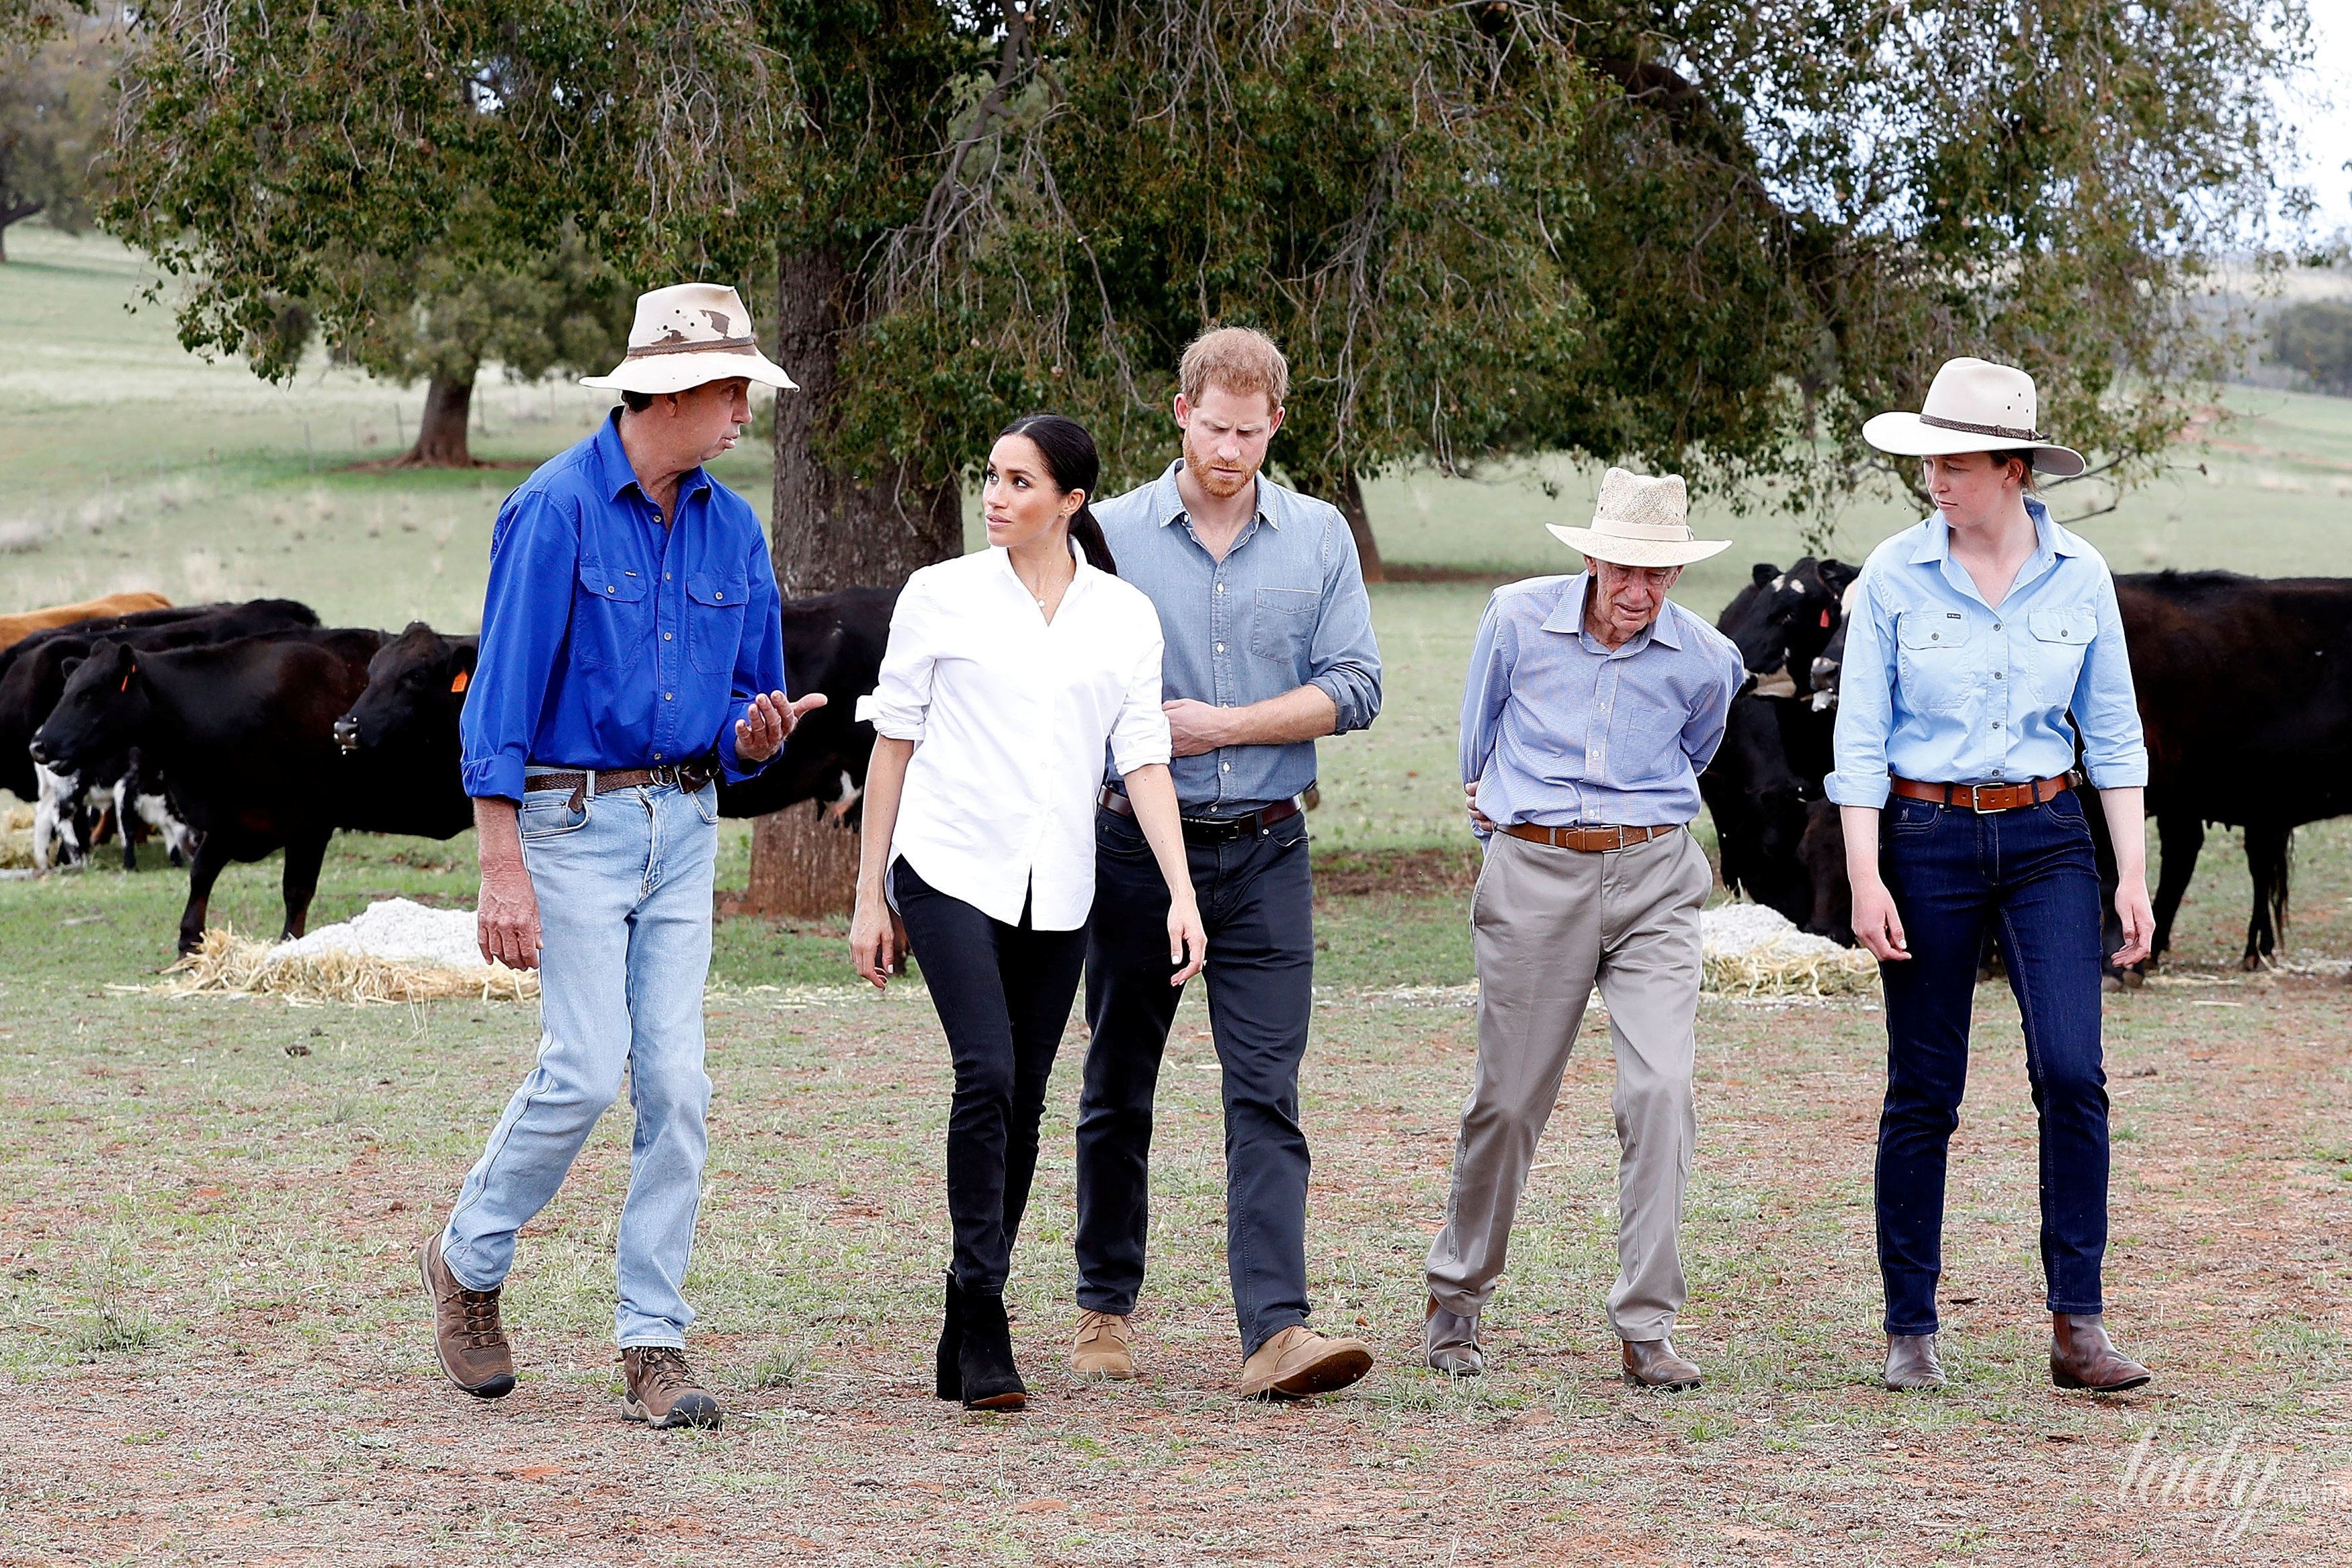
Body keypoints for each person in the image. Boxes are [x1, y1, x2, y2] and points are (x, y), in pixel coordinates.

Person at [421, 284, 823, 1431]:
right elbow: (496, 700)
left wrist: (754, 734)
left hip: (686, 825)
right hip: (569, 828)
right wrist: (502, 865)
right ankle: (467, 1257)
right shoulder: (552, 511)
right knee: (586, 1066)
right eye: (733, 387)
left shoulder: (733, 528)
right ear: (672, 392)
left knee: (680, 1086)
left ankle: (655, 1340)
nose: (746, 409)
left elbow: (751, 696)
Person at [849, 415, 1207, 1411]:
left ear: (1071, 500)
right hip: (948, 866)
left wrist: (1182, 892)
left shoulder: (1124, 616)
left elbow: (1142, 758)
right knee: (989, 1072)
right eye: (992, 477)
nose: (995, 496)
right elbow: (893, 742)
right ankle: (990, 1307)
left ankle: (963, 1319)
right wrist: (870, 890)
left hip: (1061, 885)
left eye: (1019, 481)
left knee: (1029, 1101)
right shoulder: (941, 595)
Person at [1829, 356, 2156, 1393]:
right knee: (1925, 1087)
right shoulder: (1890, 574)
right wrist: (1865, 878)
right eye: (1930, 461)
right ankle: (1911, 1323)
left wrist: (2132, 876)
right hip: (1925, 838)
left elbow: (2114, 736)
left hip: (2050, 835)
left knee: (2073, 1069)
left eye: (1957, 463)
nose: (1936, 479)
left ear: (2013, 469)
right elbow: (1859, 742)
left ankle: (2078, 1322)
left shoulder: (2083, 576)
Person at [1072, 326, 1383, 1400]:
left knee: (1267, 1091)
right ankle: (1104, 1307)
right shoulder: (1105, 533)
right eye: (1215, 428)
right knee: (1118, 1082)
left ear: (1276, 426)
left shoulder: (1320, 536)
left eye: (1252, 433)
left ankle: (1276, 1333)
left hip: (1265, 847)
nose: (1232, 450)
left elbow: (1356, 686)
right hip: (1132, 851)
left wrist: (1225, 726)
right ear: (1180, 412)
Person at [1423, 468, 1744, 1391]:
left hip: (1655, 876)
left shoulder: (1707, 659)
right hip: (1535, 873)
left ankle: (1647, 1324)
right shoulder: (1516, 619)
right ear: (1593, 556)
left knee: (1661, 1090)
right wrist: (1518, 829)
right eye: (1626, 570)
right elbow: (1474, 744)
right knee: (1510, 1097)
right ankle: (1457, 1293)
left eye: (1662, 575)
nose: (1641, 592)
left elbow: (1698, 747)